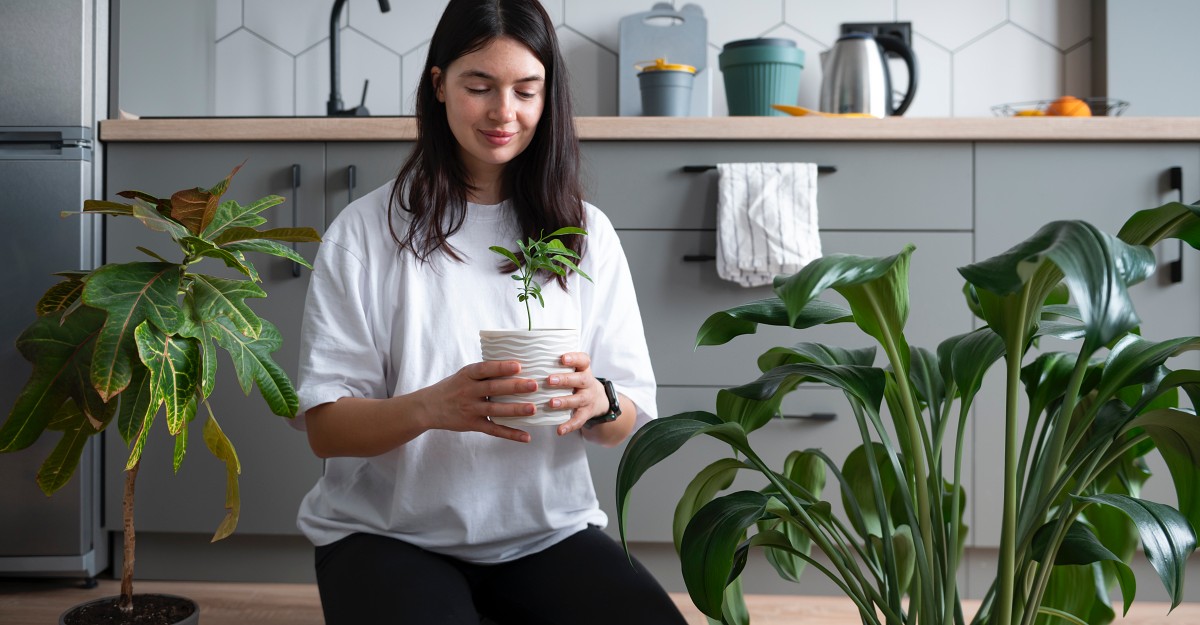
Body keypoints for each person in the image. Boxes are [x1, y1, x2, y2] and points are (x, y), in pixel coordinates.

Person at [292, 1, 688, 623]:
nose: (505, 112)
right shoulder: (364, 233)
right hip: (386, 535)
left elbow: (627, 421)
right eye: (479, 87)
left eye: (526, 91)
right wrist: (432, 407)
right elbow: (325, 426)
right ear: (439, 85)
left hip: (545, 534)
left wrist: (599, 400)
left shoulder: (585, 233)